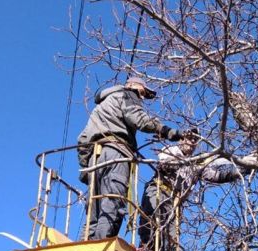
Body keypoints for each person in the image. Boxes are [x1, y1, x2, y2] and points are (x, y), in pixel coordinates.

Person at [77, 78, 188, 240]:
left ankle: (84, 247)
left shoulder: (101, 106)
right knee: (113, 204)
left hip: (95, 157)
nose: (142, 98)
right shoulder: (128, 94)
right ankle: (99, 250)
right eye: (142, 92)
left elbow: (82, 140)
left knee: (93, 210)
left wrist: (86, 167)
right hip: (117, 153)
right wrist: (170, 132)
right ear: (132, 86)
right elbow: (140, 120)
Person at [139, 135, 258, 251]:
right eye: (189, 138)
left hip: (176, 202)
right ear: (181, 139)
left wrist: (243, 169)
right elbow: (166, 164)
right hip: (159, 190)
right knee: (152, 225)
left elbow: (217, 176)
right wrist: (193, 162)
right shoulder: (171, 150)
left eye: (194, 140)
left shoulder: (197, 165)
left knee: (171, 239)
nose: (191, 142)